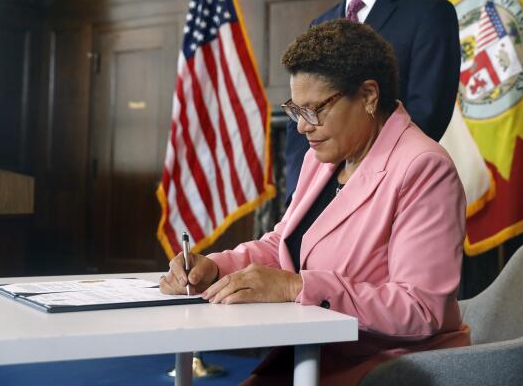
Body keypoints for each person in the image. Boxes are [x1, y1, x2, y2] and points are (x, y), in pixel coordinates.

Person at [161, 19, 469, 385]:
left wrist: (296, 287)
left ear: (369, 96)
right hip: (317, 351)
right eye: (296, 110)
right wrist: (214, 268)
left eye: (315, 110)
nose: (302, 127)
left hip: (393, 366)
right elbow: (283, 245)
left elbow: (419, 309)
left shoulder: (423, 168)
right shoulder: (322, 157)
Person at [283, 0, 460, 202]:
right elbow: (302, 119)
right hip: (319, 202)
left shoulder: (430, 15)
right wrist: (304, 196)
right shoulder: (319, 26)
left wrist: (353, 188)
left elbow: (425, 118)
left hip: (389, 198)